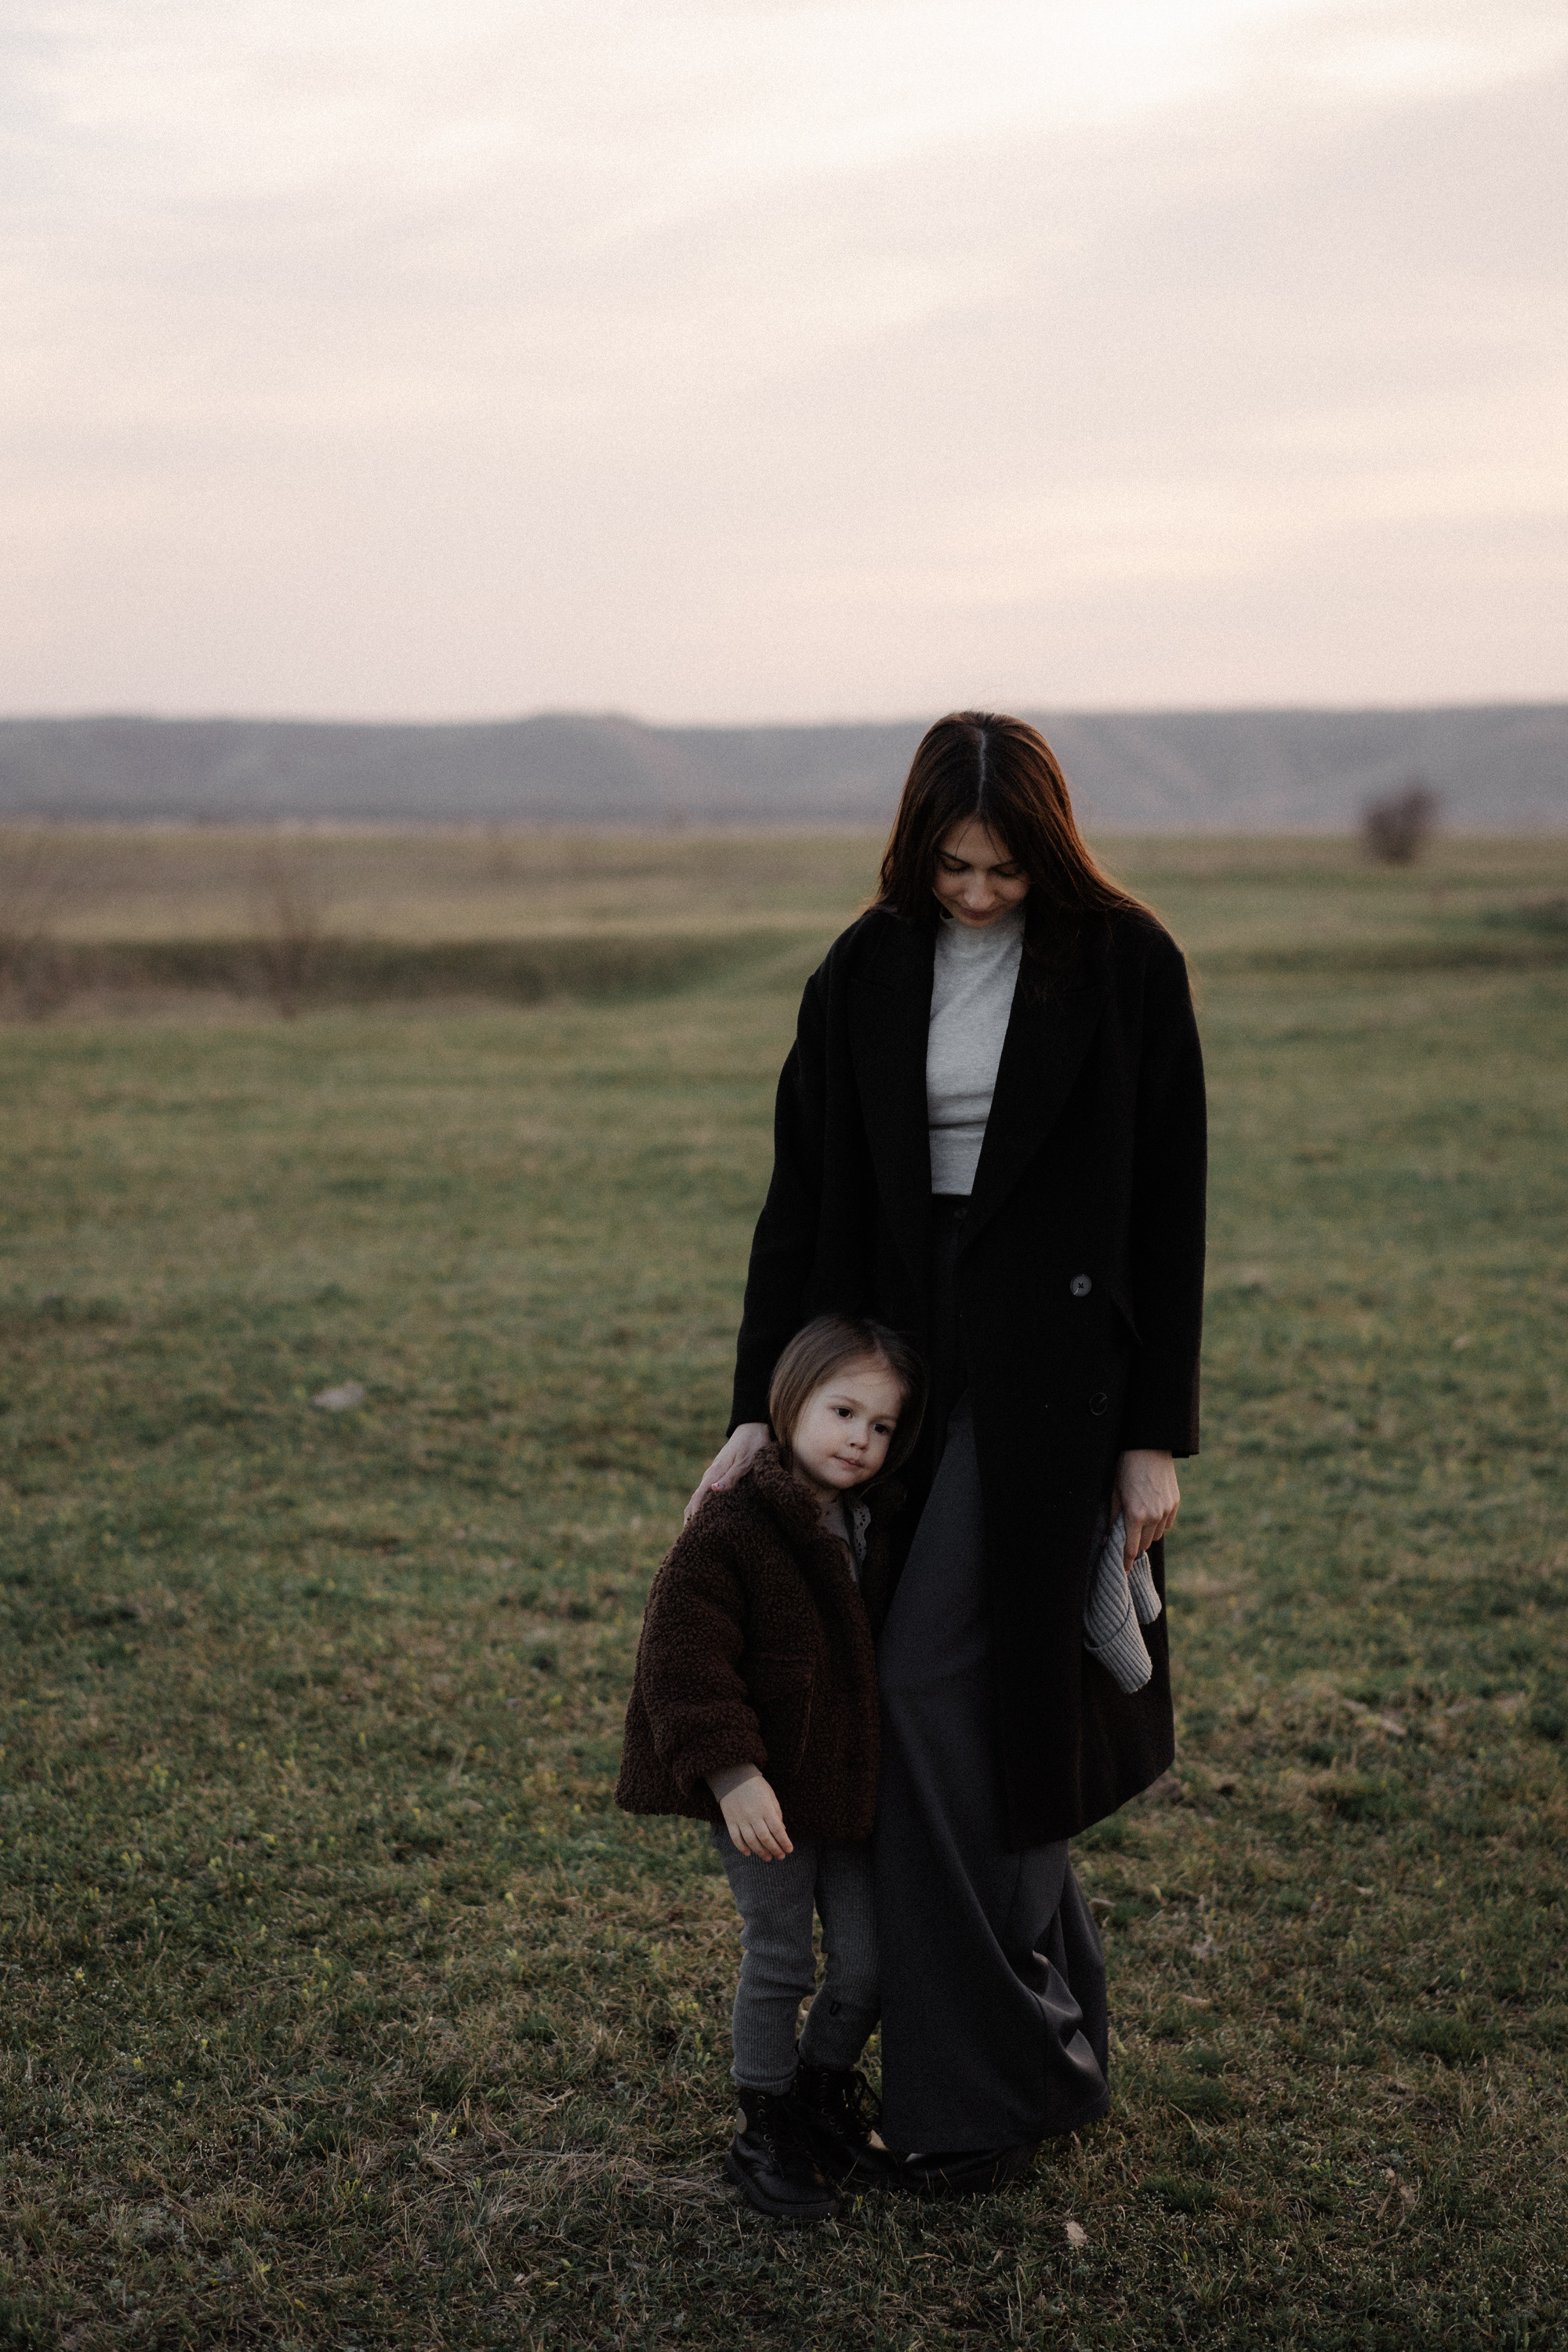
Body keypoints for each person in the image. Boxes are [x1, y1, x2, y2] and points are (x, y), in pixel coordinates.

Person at [686, 712, 1207, 2196]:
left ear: (1050, 848)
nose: (977, 894)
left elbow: (1170, 1203)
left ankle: (982, 2091)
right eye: (953, 866)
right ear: (916, 848)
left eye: (1004, 868)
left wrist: (1153, 1436)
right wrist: (758, 1408)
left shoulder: (1127, 962)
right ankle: (1035, 2042)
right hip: (893, 1373)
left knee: (926, 1687)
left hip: (1054, 1387)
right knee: (969, 1705)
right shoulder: (863, 967)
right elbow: (800, 1196)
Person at [616, 1312, 927, 2221]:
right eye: (842, 1412)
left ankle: (816, 2096)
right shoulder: (735, 1524)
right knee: (782, 1955)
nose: (859, 1440)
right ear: (788, 1404)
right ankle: (763, 2126)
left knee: (868, 1963)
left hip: (843, 1787)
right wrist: (730, 1774)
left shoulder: (876, 1523)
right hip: (758, 1795)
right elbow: (679, 1661)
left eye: (881, 1426)